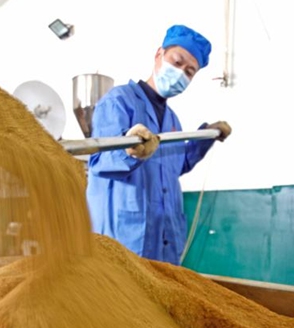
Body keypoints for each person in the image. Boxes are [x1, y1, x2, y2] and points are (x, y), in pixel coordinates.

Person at [86, 24, 232, 265]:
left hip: (164, 240)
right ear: (159, 55)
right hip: (125, 238)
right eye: (177, 62)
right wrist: (131, 152)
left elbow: (175, 166)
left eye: (189, 71)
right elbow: (100, 162)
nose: (181, 73)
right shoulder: (119, 101)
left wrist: (205, 137)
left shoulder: (171, 119)